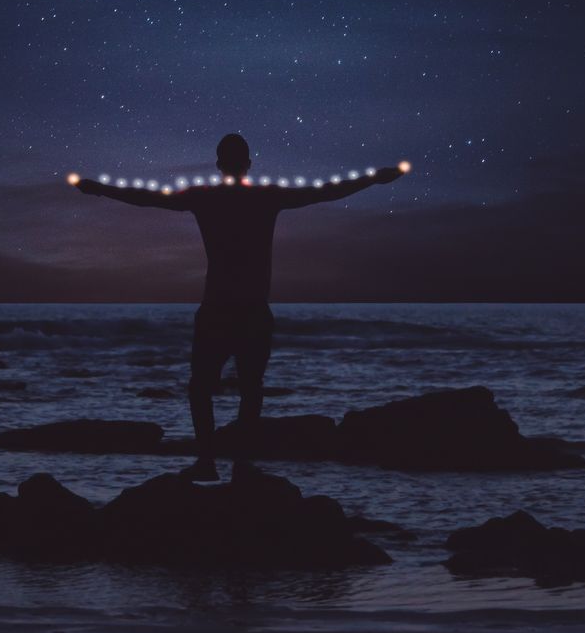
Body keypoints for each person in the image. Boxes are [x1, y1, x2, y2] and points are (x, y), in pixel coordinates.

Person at [70, 134, 407, 480]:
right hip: (251, 309)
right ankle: (240, 465)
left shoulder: (205, 197)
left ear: (219, 165)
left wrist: (101, 189)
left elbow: (147, 198)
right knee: (250, 388)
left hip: (218, 307)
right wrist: (372, 179)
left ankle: (208, 462)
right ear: (249, 164)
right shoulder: (265, 197)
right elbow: (325, 192)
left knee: (203, 388)